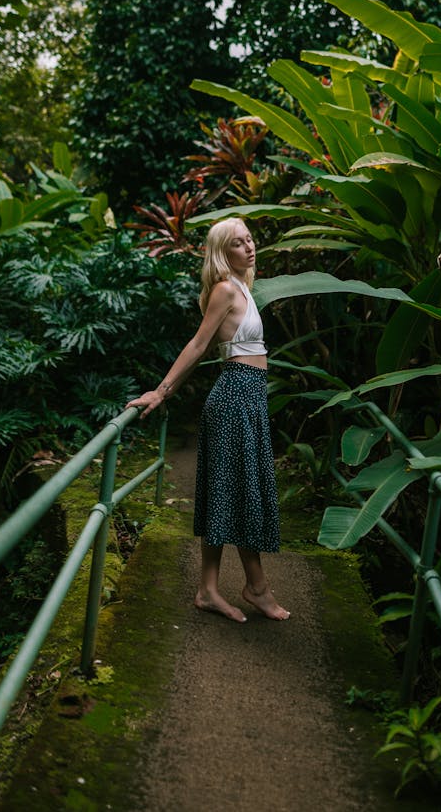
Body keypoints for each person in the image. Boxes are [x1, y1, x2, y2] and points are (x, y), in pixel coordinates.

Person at [127, 217, 289, 624]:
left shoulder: (243, 289)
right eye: (238, 243)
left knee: (229, 492)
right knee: (236, 492)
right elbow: (199, 344)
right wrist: (161, 391)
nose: (249, 247)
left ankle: (212, 588)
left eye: (250, 239)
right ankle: (252, 587)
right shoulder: (223, 290)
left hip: (247, 398)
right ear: (222, 252)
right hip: (235, 396)